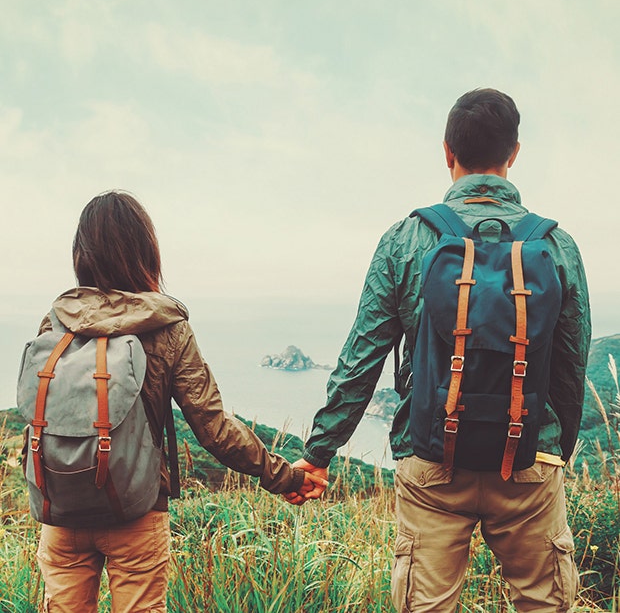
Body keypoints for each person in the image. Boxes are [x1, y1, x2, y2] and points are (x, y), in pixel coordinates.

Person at [286, 89, 591, 612]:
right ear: (514, 152)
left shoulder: (406, 239)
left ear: (447, 151)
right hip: (527, 463)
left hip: (432, 462)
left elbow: (362, 358)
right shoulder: (555, 245)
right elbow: (571, 364)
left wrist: (319, 454)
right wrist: (548, 450)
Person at [30, 191, 326, 612]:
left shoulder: (56, 321)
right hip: (137, 510)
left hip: (61, 509)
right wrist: (285, 477)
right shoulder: (166, 327)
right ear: (146, 252)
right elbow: (214, 428)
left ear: (81, 253)